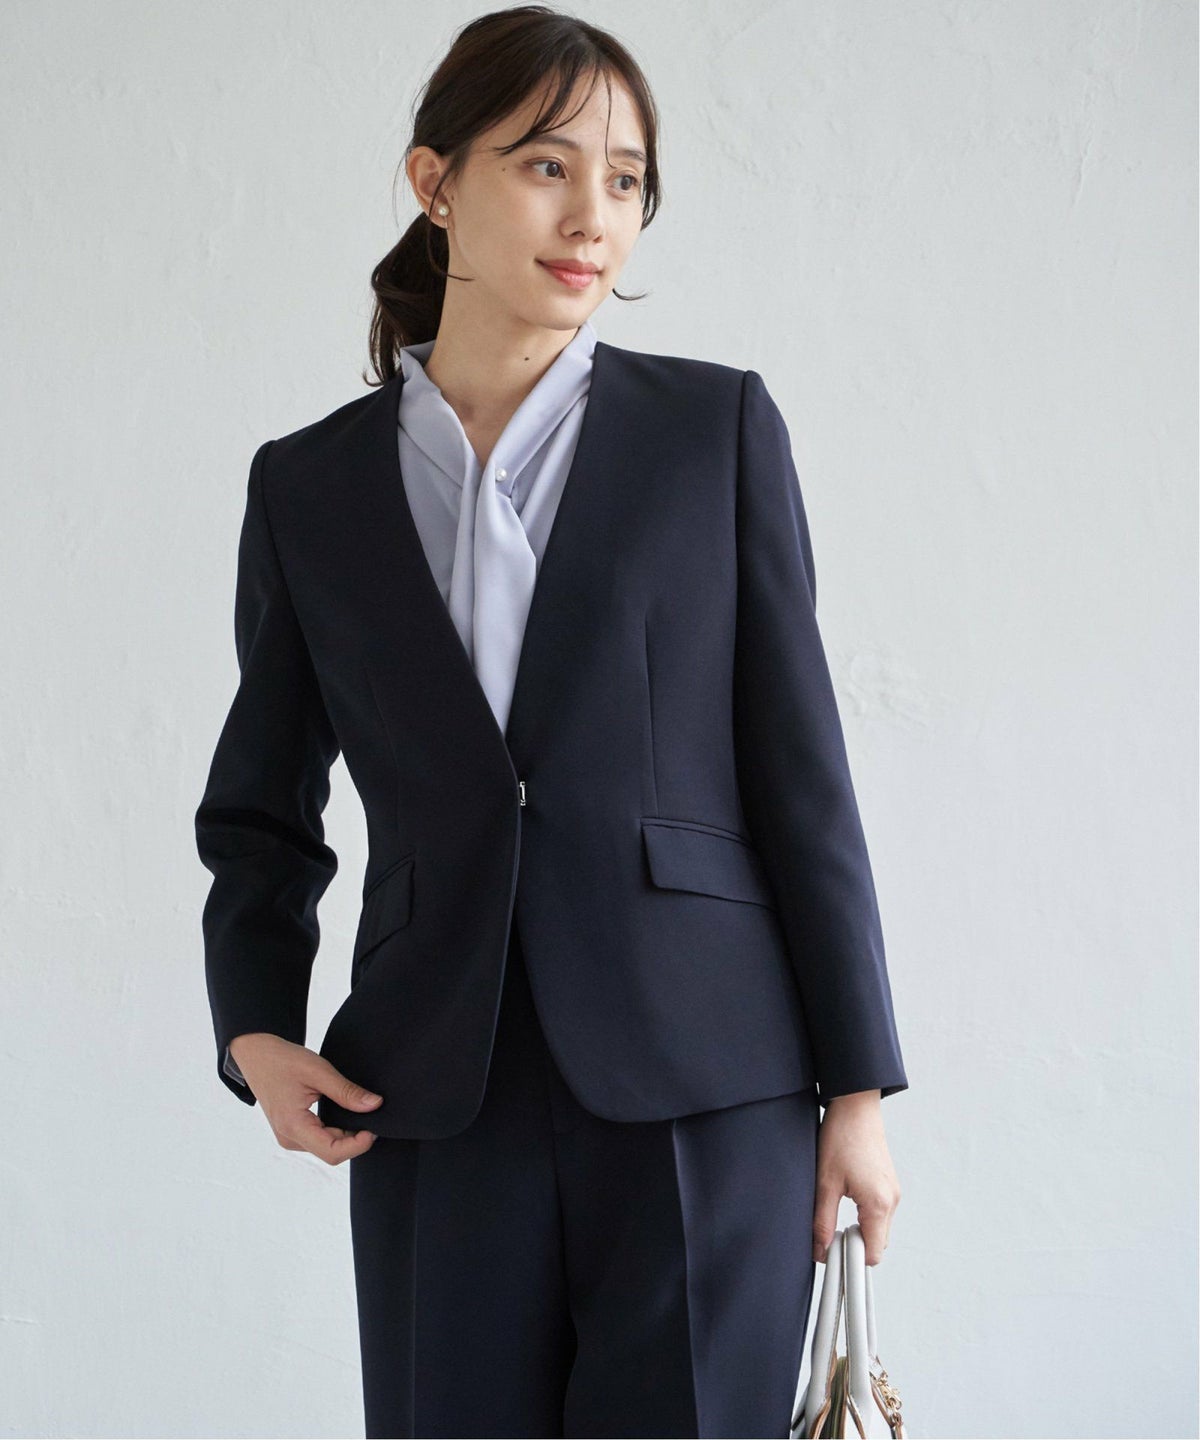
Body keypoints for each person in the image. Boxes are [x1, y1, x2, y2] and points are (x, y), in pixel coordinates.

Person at [194, 6, 909, 1437]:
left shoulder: (711, 433)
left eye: (626, 180)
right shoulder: (309, 487)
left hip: (706, 1081)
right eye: (547, 166)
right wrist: (254, 1026)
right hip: (431, 1085)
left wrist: (859, 1088)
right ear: (436, 182)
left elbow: (802, 775)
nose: (595, 216)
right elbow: (261, 801)